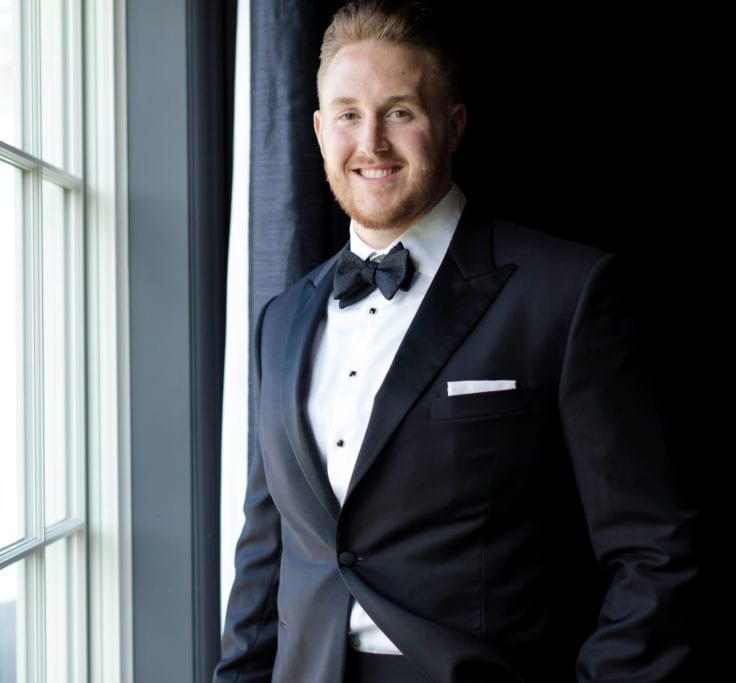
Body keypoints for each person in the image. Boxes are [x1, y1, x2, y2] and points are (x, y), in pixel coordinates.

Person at [214, 1, 696, 681]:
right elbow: (265, 558)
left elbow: (655, 552)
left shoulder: (566, 292)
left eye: (400, 112)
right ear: (320, 131)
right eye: (348, 115)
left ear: (453, 125)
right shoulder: (280, 321)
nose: (372, 142)